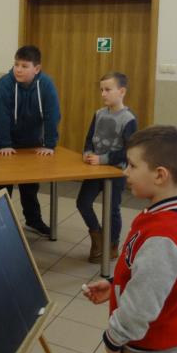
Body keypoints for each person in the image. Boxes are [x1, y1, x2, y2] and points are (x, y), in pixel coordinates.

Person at [83, 125, 177, 353]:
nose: (126, 172)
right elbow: (145, 275)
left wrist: (113, 339)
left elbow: (141, 307)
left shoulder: (163, 235)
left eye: (133, 166)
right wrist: (115, 285)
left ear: (160, 175)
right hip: (148, 350)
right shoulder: (158, 215)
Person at [0, 45, 60, 236]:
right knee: (1, 187)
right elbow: (1, 115)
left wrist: (49, 144)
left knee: (30, 188)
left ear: (36, 69)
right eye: (16, 64)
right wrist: (5, 143)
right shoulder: (5, 83)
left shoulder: (46, 84)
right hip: (5, 142)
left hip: (31, 143)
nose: (18, 69)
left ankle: (33, 220)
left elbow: (52, 115)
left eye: (24, 66)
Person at [78, 72, 137, 262]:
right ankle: (98, 237)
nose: (103, 94)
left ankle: (111, 245)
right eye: (101, 90)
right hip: (95, 171)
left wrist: (103, 159)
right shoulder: (99, 114)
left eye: (108, 90)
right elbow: (90, 138)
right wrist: (87, 151)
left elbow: (129, 150)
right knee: (83, 203)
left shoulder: (128, 119)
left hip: (115, 172)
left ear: (122, 91)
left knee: (112, 210)